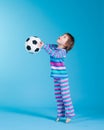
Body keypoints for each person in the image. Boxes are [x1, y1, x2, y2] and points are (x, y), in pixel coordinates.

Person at [41, 33, 75, 123]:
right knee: (58, 97)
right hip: (56, 77)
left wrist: (44, 46)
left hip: (63, 77)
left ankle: (70, 114)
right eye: (62, 35)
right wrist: (40, 44)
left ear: (66, 44)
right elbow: (48, 46)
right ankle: (60, 114)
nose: (61, 36)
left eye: (64, 37)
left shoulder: (62, 51)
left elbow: (54, 54)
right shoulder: (55, 47)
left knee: (65, 97)